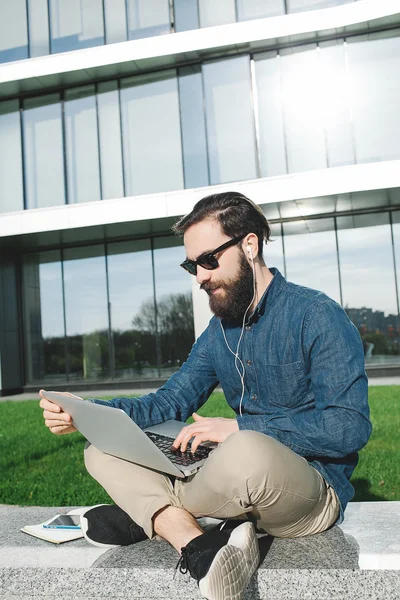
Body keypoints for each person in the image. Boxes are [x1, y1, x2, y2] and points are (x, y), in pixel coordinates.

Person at [40, 191, 372, 600]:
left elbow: (349, 427)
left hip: (309, 491)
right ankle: (196, 546)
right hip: (233, 478)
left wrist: (240, 428)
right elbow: (167, 403)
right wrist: (86, 412)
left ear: (249, 245)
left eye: (208, 260)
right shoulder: (217, 334)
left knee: (247, 448)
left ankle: (150, 514)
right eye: (191, 265)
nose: (199, 276)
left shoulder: (317, 315)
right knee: (100, 450)